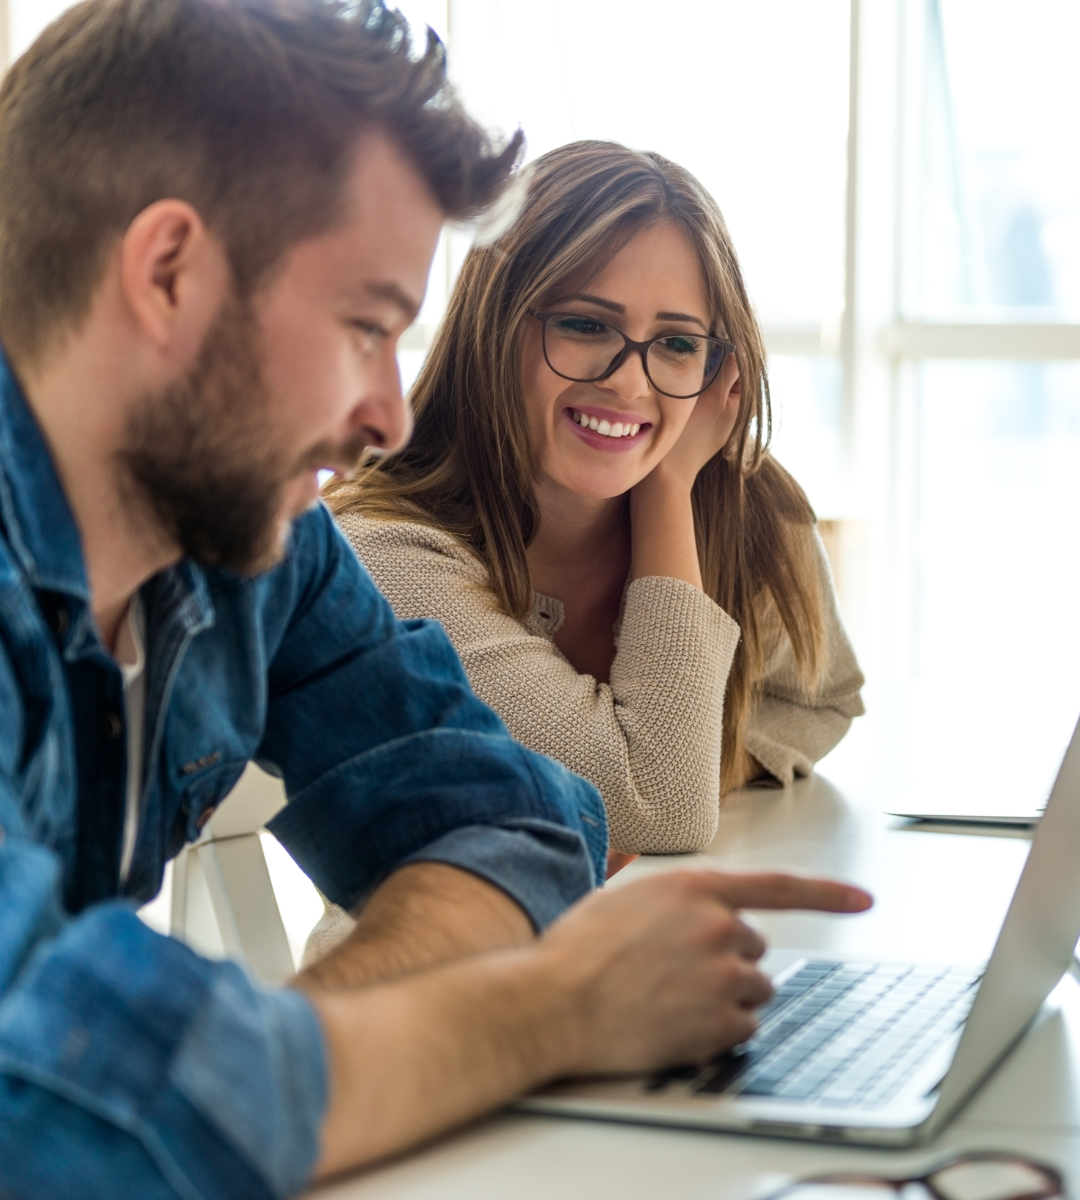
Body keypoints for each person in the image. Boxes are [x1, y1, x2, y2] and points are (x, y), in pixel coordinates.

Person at [0, 2, 872, 1196]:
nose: (390, 415)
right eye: (367, 326)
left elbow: (524, 824)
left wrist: (284, 1057)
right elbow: (54, 1116)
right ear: (169, 273)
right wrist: (549, 1009)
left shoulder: (260, 551)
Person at [324, 141, 865, 862]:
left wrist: (693, 758)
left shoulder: (742, 503)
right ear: (496, 323)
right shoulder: (384, 549)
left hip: (658, 942)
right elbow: (658, 808)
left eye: (675, 343)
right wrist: (668, 490)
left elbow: (818, 698)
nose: (631, 386)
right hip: (447, 967)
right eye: (585, 325)